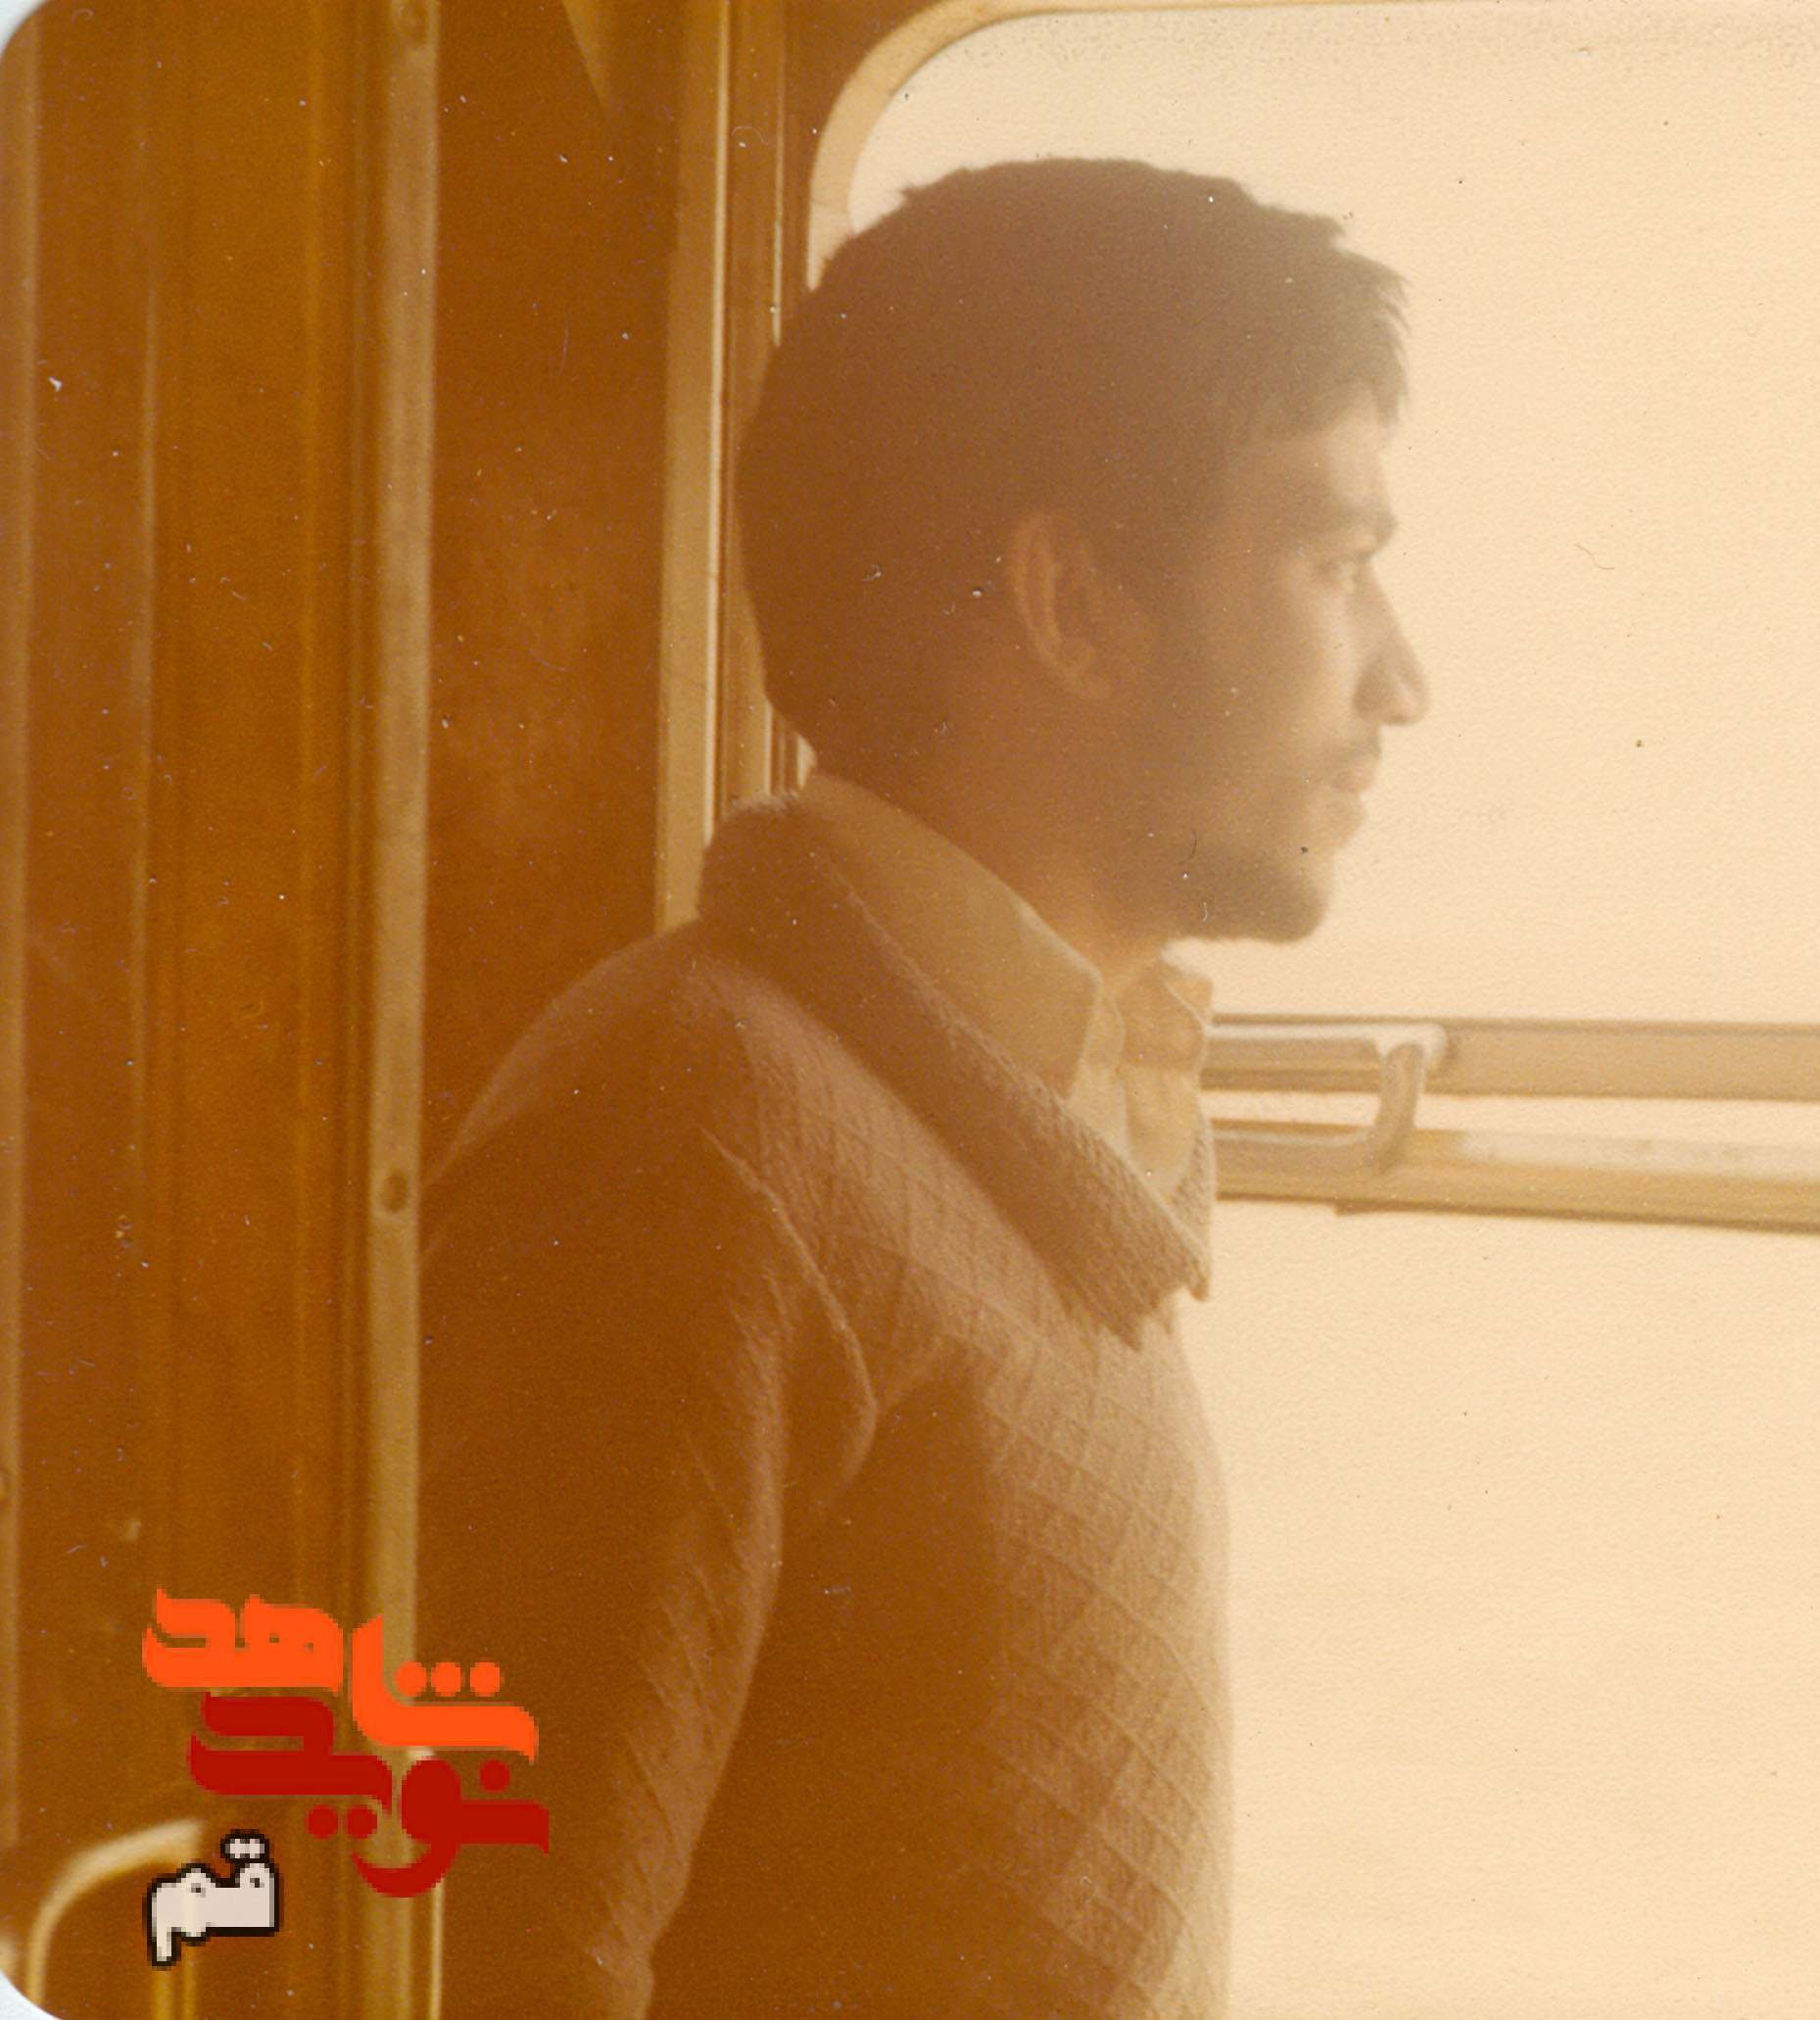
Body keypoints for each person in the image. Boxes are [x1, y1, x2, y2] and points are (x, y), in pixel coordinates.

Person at [418, 158, 1424, 2020]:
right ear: (1072, 604)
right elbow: (490, 1968)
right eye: (1336, 567)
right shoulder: (688, 1135)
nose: (1401, 682)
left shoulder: (1022, 1116)